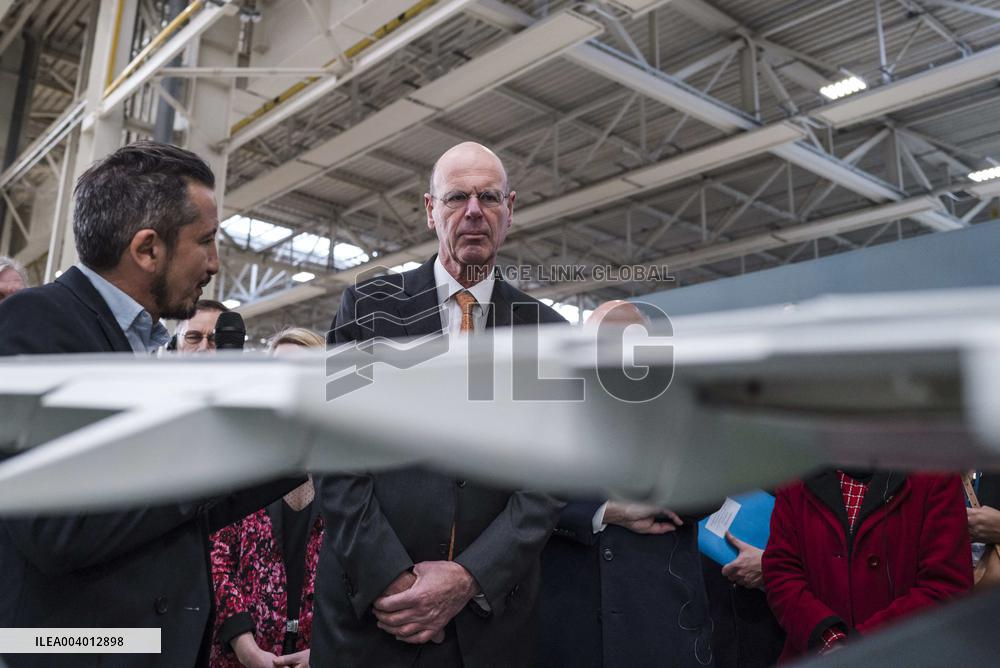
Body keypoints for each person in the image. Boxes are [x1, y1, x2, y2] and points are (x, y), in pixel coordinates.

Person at [0, 141, 304, 668]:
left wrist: (303, 441)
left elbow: (183, 511)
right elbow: (58, 529)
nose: (214, 263)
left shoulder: (143, 346)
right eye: (205, 241)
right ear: (147, 249)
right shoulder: (39, 324)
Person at [313, 141, 566, 667]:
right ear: (431, 211)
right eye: (456, 198)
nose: (473, 211)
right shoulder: (367, 309)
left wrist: (470, 576)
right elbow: (333, 452)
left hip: (487, 627)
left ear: (510, 210)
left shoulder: (547, 332)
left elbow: (547, 484)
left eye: (488, 197)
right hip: (374, 618)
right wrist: (392, 577)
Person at [538, 300, 713, 668]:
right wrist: (606, 512)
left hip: (661, 620)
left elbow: (710, 489)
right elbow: (525, 495)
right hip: (571, 624)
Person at [762, 469, 973, 662]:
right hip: (815, 654)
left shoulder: (935, 474)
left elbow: (946, 586)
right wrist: (828, 638)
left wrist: (862, 645)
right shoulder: (799, 476)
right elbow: (780, 571)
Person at [211, 327, 326, 668]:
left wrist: (327, 649)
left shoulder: (348, 470)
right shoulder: (242, 460)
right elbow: (217, 558)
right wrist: (244, 645)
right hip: (242, 654)